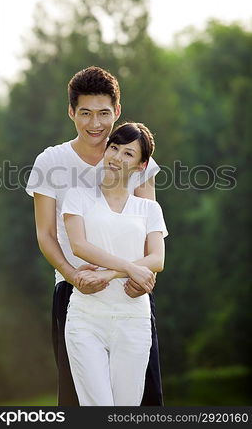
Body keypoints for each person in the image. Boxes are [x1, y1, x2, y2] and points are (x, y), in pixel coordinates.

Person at [25, 66, 163, 405]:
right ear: (71, 112)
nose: (95, 123)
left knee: (141, 402)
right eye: (85, 113)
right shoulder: (51, 161)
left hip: (131, 294)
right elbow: (45, 234)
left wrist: (141, 277)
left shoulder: (136, 158)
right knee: (80, 402)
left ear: (117, 111)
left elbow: (150, 231)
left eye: (103, 113)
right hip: (75, 294)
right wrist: (73, 276)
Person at [62, 122, 168, 406]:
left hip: (133, 319)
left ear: (141, 165)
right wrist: (133, 268)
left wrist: (111, 273)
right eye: (114, 148)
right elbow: (79, 246)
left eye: (128, 154)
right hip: (87, 317)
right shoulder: (78, 196)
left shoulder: (149, 208)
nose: (116, 158)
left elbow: (157, 259)